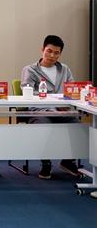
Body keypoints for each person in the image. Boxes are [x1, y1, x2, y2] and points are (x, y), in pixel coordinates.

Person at [21, 34, 81, 179]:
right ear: (42, 49)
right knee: (44, 126)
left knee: (78, 126)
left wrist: (66, 105)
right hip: (40, 111)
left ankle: (68, 161)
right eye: (49, 51)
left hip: (63, 111)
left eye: (56, 53)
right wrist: (54, 106)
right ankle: (46, 163)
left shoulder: (65, 69)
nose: (52, 55)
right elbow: (29, 93)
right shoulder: (30, 70)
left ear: (60, 54)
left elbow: (72, 90)